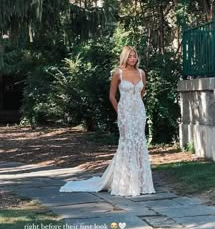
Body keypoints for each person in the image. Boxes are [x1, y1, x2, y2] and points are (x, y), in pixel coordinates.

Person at [60, 46, 156, 197]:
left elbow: (142, 92)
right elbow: (111, 96)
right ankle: (126, 183)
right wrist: (120, 112)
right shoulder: (118, 73)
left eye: (135, 56)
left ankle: (142, 183)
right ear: (125, 57)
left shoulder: (141, 73)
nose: (133, 59)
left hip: (139, 113)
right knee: (126, 143)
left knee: (139, 143)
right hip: (124, 113)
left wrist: (136, 106)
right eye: (130, 56)